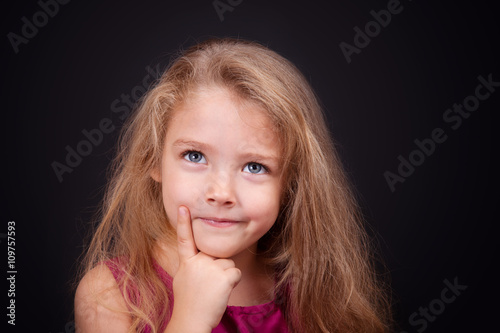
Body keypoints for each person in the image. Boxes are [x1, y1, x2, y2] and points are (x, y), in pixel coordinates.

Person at [74, 37, 392, 332]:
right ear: (153, 160)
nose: (221, 193)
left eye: (255, 166)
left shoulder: (317, 295)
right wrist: (189, 319)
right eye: (195, 156)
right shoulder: (110, 295)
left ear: (291, 183)